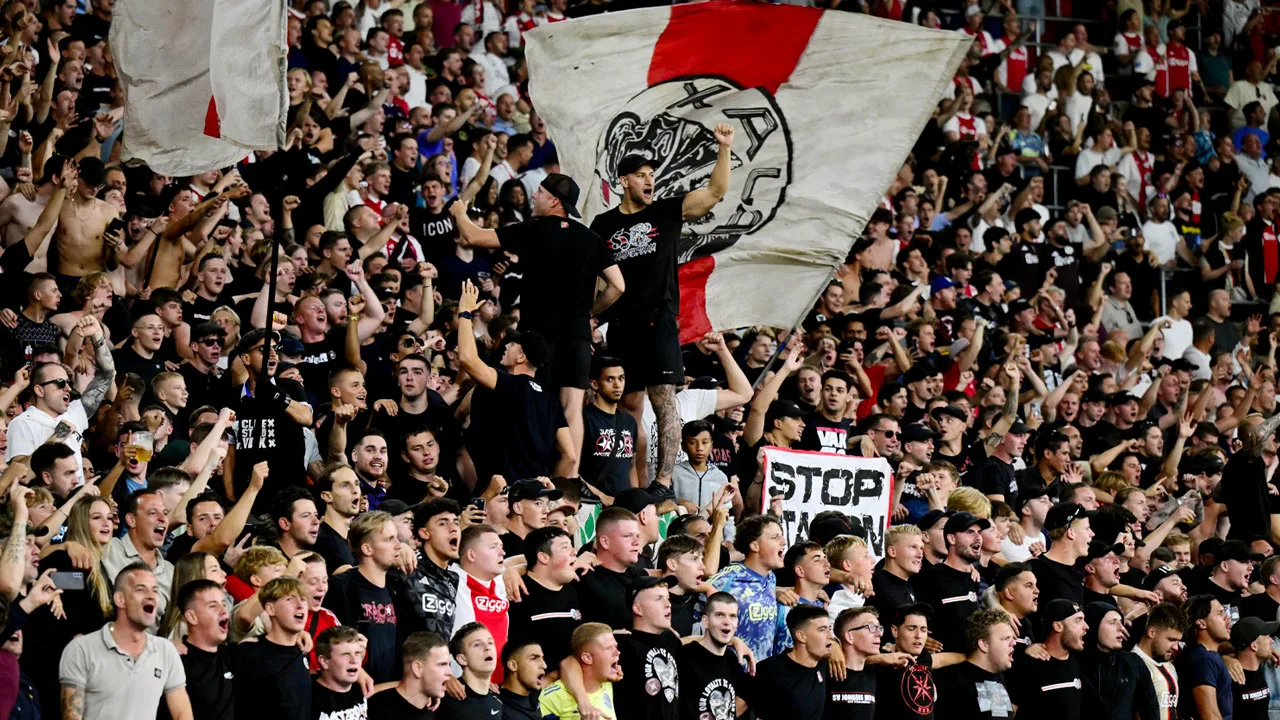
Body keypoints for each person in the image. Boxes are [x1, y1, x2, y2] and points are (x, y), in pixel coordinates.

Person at [588, 126, 736, 489]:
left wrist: (725, 148)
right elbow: (594, 279)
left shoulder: (666, 212)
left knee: (664, 399)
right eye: (641, 175)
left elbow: (716, 191)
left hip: (659, 319)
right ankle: (633, 481)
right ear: (624, 181)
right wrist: (590, 316)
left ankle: (664, 479)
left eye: (652, 175)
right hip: (620, 323)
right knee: (629, 404)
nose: (649, 181)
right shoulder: (603, 225)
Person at [450, 176, 625, 479]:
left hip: (538, 337)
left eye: (541, 192)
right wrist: (587, 313)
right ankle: (570, 479)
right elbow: (618, 286)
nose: (534, 195)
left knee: (529, 398)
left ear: (555, 201)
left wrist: (458, 213)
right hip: (577, 335)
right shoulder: (592, 239)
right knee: (572, 404)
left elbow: (474, 236)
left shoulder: (533, 229)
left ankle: (529, 473)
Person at [58, 563, 193, 720]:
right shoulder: (82, 649)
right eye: (141, 589)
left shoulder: (165, 650)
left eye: (155, 590)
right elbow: (71, 716)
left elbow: (182, 714)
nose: (151, 596)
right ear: (120, 599)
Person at [323, 510, 409, 683]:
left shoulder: (397, 586)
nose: (398, 545)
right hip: (358, 690)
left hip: (392, 691)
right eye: (388, 539)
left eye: (396, 538)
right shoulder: (342, 587)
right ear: (367, 548)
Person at [232, 577, 314, 720]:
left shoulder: (302, 649)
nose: (300, 605)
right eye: (290, 599)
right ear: (270, 609)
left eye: (303, 599)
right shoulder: (249, 653)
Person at [912, 511, 986, 652]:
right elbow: (912, 615)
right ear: (951, 539)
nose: (978, 538)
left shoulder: (973, 578)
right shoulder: (929, 577)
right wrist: (919, 637)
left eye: (979, 532)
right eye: (970, 532)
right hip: (941, 665)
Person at [746, 605, 833, 720]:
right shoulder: (770, 669)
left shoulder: (825, 664)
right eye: (822, 630)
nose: (830, 636)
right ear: (801, 636)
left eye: (829, 629)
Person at [1006, 599, 1084, 718]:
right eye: (1078, 620)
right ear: (1058, 626)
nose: (1086, 626)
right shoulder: (1028, 666)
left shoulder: (1077, 662)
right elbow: (1010, 713)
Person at [933, 609, 1016, 720]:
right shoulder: (954, 682)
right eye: (1006, 638)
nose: (1014, 643)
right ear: (983, 644)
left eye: (1013, 638)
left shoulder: (997, 677)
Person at [678, 592, 744, 720]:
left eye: (732, 616)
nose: (727, 622)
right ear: (705, 621)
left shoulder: (732, 659)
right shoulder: (685, 656)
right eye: (720, 615)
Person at [539, 623, 621, 720]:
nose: (617, 652)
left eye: (615, 646)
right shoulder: (551, 697)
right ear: (587, 658)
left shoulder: (606, 684)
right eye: (608, 648)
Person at [366, 632, 454, 718]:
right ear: (417, 668)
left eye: (448, 665)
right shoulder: (377, 710)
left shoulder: (437, 709)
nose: (449, 672)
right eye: (442, 665)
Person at [1178, 595, 1235, 720]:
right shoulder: (1203, 660)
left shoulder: (1206, 656)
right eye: (1220, 613)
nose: (1227, 617)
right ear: (1202, 622)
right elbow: (1209, 715)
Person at [438, 622, 503, 720]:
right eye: (477, 645)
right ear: (462, 659)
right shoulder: (443, 701)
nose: (487, 648)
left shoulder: (498, 701)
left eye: (490, 642)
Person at [1133, 603, 1186, 720]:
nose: (1176, 647)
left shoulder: (1169, 665)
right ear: (1151, 632)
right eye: (1171, 639)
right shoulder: (1131, 664)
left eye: (1178, 641)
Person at [310, 625, 367, 720]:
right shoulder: (308, 697)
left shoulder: (360, 688)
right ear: (324, 661)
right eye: (345, 654)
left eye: (357, 653)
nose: (354, 660)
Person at [1229, 616, 1276, 719]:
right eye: (1267, 636)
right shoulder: (1232, 677)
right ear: (1254, 646)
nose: (1271, 641)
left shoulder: (1259, 668)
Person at [498, 639, 546, 720]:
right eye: (534, 658)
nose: (544, 665)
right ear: (513, 665)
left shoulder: (534, 695)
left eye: (542, 658)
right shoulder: (497, 706)